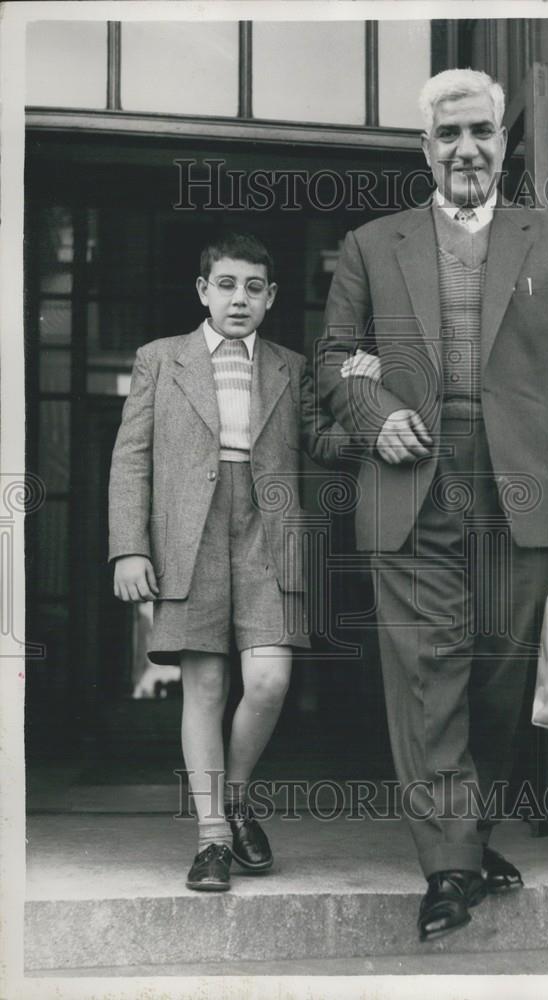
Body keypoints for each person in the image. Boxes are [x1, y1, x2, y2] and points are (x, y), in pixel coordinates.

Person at [318, 68, 548, 941]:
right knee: (430, 676)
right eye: (448, 134)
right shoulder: (372, 245)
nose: (466, 149)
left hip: (522, 488)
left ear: (504, 143)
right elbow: (334, 361)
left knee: (500, 677)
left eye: (481, 133)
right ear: (426, 147)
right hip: (411, 484)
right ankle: (449, 865)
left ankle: (470, 830)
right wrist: (376, 419)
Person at [108, 232, 347, 892]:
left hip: (269, 533)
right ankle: (212, 837)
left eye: (253, 288)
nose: (238, 298)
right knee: (206, 688)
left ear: (269, 299)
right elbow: (131, 460)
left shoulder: (291, 367)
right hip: (192, 534)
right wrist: (130, 546)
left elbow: (323, 443)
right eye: (226, 285)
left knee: (269, 681)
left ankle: (233, 797)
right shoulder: (159, 360)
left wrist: (363, 399)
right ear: (202, 291)